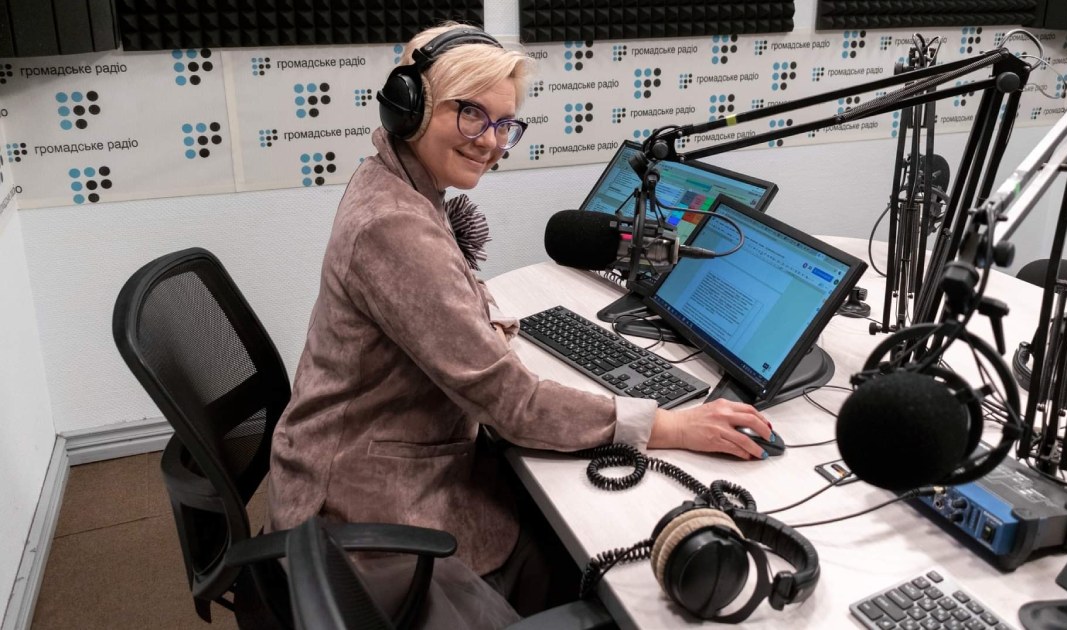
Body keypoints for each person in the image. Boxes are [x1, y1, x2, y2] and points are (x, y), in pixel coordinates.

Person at [266, 22, 775, 626]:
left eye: (505, 123)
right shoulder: (394, 226)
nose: (491, 141)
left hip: (368, 463)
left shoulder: (395, 183)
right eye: (471, 114)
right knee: (606, 569)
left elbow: (446, 313)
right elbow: (510, 404)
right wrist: (670, 424)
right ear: (411, 106)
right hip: (360, 515)